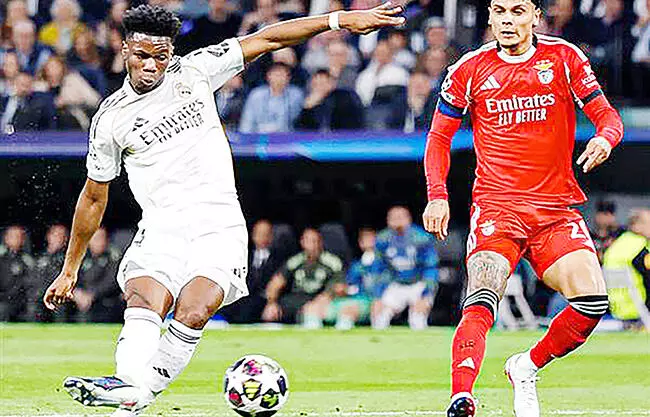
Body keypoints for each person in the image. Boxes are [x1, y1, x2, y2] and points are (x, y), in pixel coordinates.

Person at [41, 4, 405, 416]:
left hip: (218, 223)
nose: (152, 65)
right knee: (143, 299)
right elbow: (94, 197)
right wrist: (70, 268)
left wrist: (339, 20)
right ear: (125, 49)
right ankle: (127, 385)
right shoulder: (111, 118)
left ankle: (137, 394)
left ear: (171, 52)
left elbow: (269, 38)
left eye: (161, 56)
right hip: (160, 226)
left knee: (194, 311)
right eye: (142, 55)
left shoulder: (195, 71)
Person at [421, 0, 624, 415]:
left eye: (518, 11)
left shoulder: (564, 58)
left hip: (554, 209)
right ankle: (461, 396)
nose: (508, 21)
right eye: (500, 11)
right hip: (497, 208)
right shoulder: (468, 70)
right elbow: (439, 138)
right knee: (482, 296)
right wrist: (437, 194)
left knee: (592, 304)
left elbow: (606, 115)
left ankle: (526, 366)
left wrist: (605, 138)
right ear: (490, 16)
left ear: (535, 16)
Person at [371, 206, 438, 330]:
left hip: (418, 283)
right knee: (379, 318)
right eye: (393, 218)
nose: (397, 221)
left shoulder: (421, 238)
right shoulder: (382, 239)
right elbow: (379, 268)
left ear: (408, 218)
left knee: (417, 320)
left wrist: (427, 293)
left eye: (400, 217)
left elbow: (430, 267)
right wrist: (378, 296)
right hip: (395, 283)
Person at [261, 228, 344, 327]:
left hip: (317, 301)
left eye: (314, 241)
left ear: (320, 243)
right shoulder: (295, 261)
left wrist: (324, 298)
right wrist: (271, 303)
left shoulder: (332, 262)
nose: (312, 245)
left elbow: (339, 286)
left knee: (313, 311)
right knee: (270, 313)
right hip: (294, 300)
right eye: (308, 241)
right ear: (302, 243)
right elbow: (276, 282)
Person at [603, 208, 650, 323]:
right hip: (639, 310)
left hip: (618, 309)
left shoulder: (619, 243)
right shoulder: (639, 245)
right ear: (636, 225)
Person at [74, 227, 123, 323]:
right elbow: (76, 276)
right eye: (95, 238)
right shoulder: (82, 257)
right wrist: (76, 292)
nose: (99, 242)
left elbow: (111, 281)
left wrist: (92, 295)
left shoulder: (113, 256)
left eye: (101, 238)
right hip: (81, 300)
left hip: (105, 301)